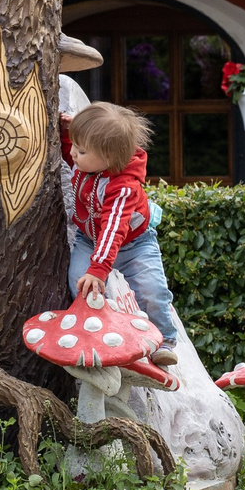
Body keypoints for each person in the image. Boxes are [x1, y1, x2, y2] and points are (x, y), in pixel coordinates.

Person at [61, 100, 180, 367]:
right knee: (79, 282)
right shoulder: (90, 161)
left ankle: (163, 341)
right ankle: (105, 333)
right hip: (90, 239)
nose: (73, 155)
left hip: (135, 242)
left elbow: (114, 229)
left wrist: (99, 268)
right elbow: (71, 149)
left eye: (81, 150)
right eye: (75, 147)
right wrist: (65, 133)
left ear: (109, 158)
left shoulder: (123, 186)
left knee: (151, 290)